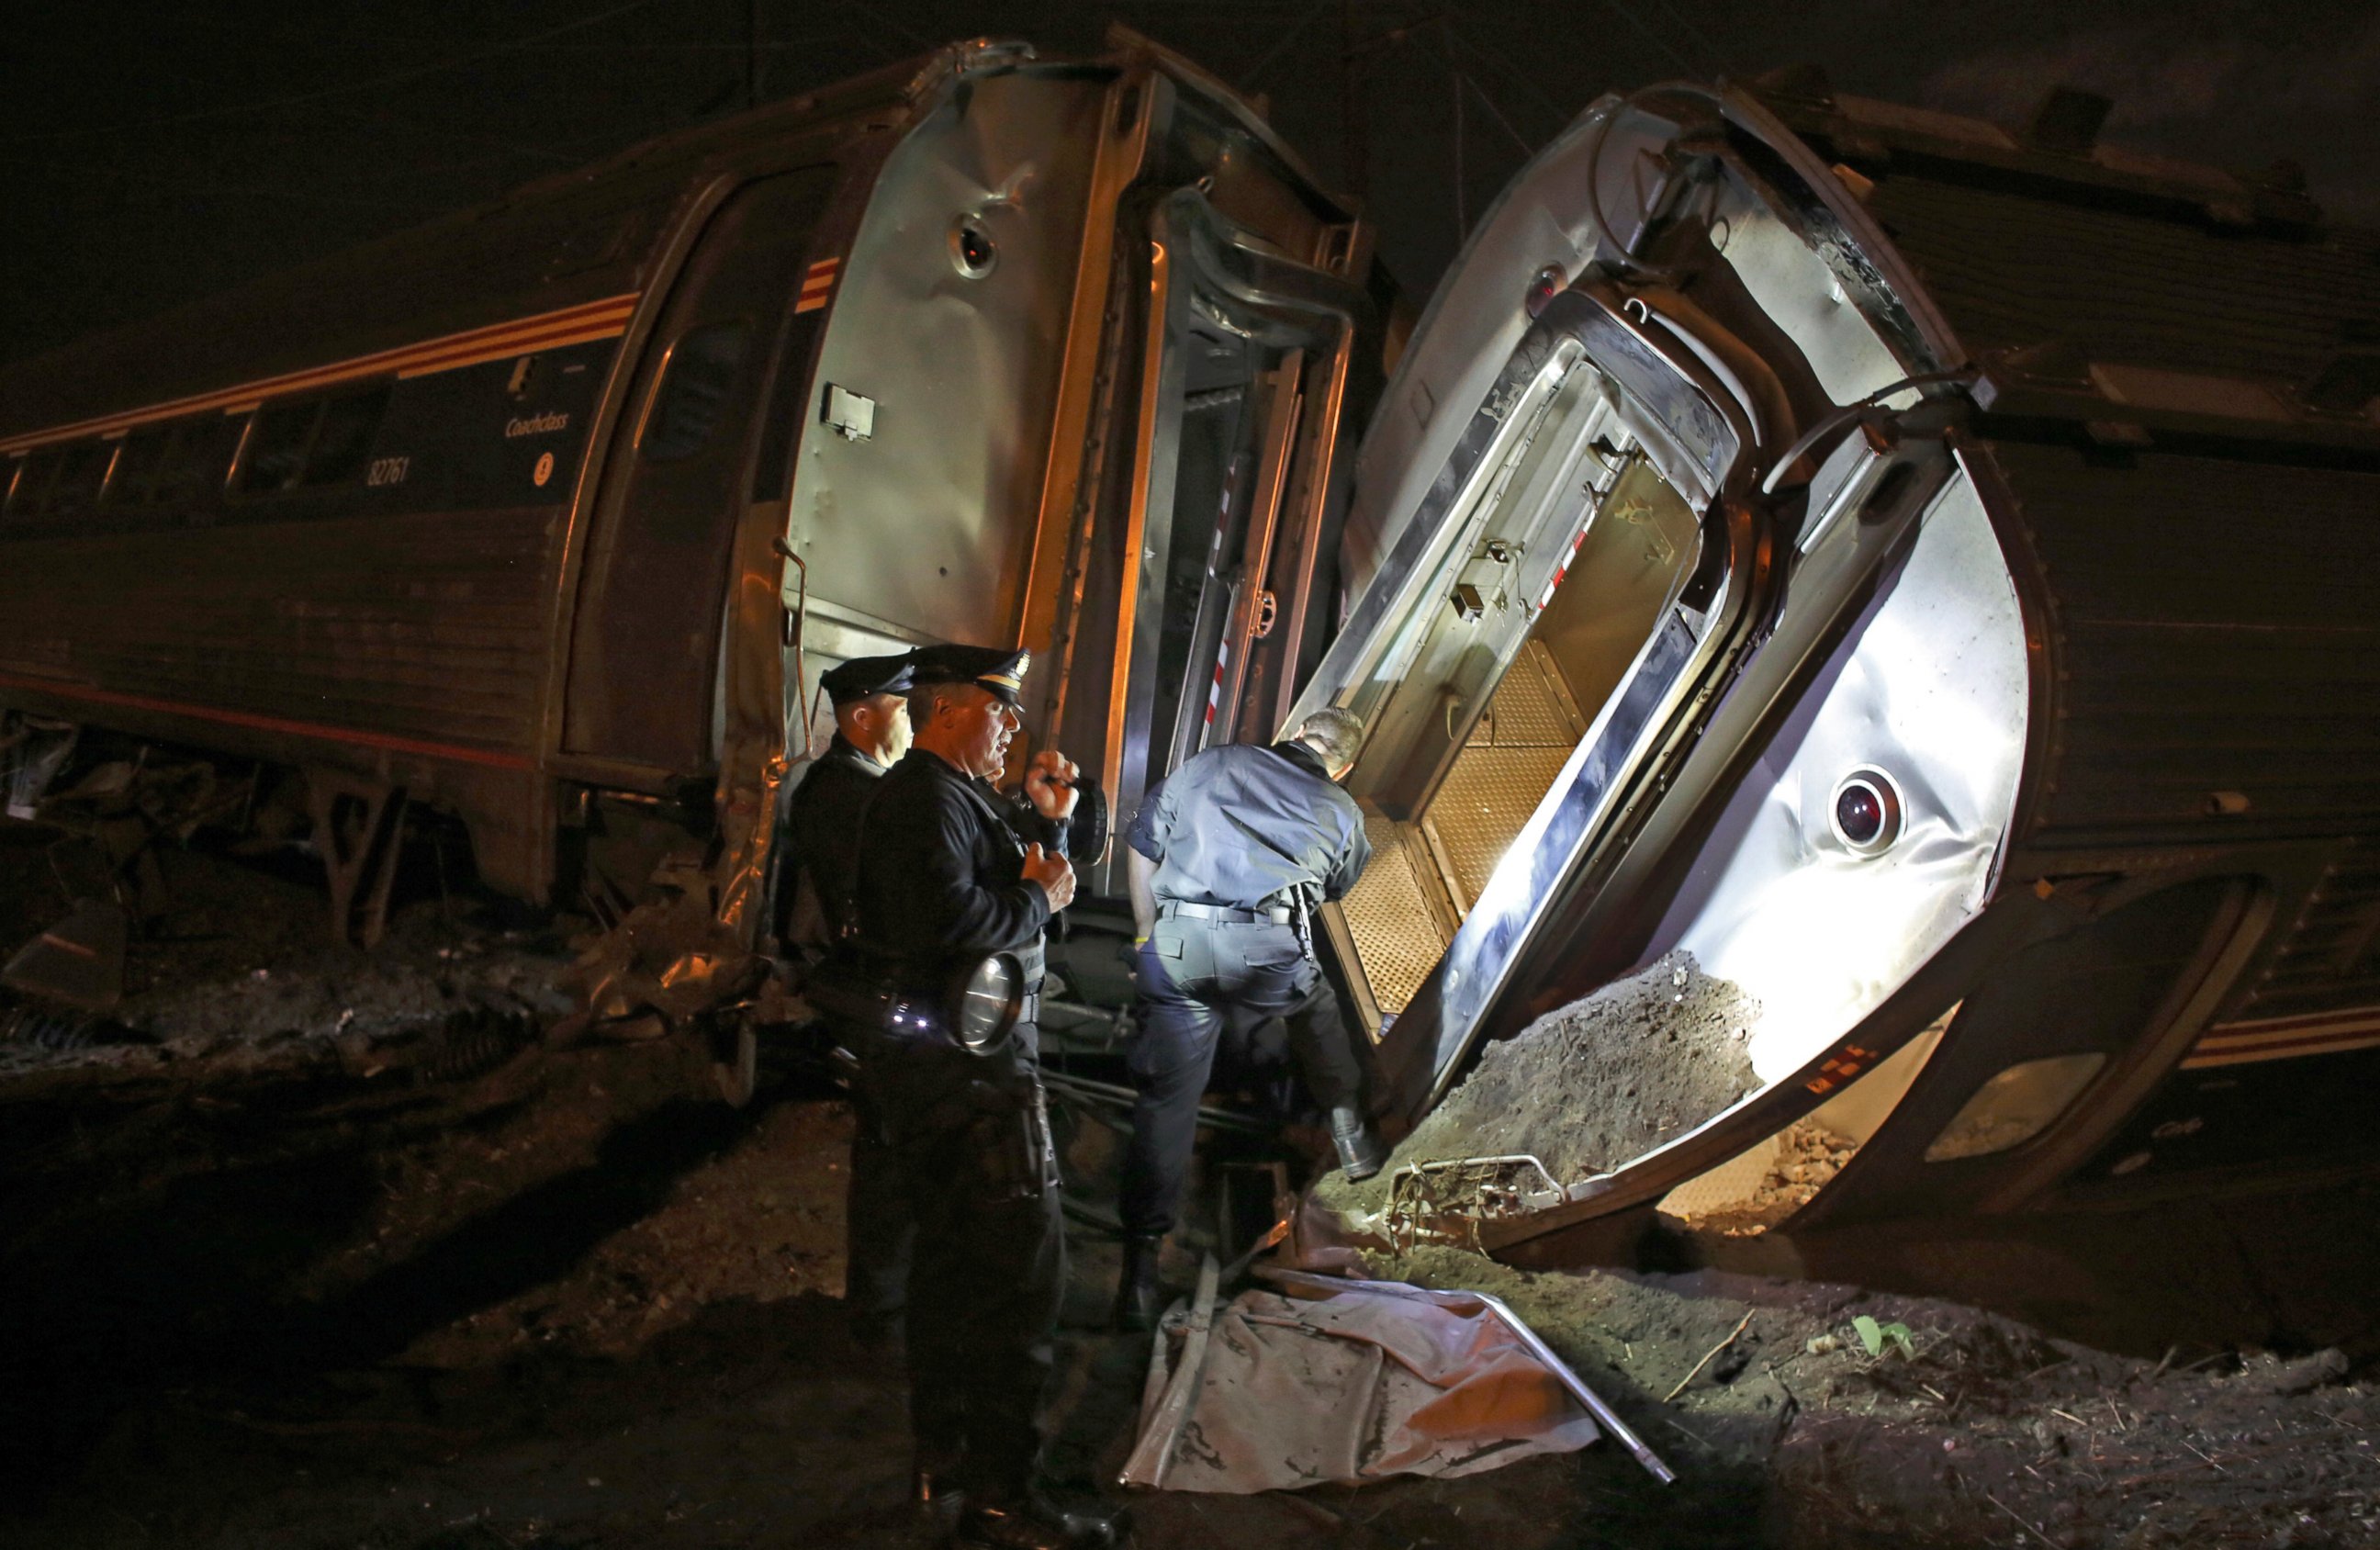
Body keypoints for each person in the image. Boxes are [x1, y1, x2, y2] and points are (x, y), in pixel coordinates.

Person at [848, 644, 1124, 1550]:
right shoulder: (922, 800)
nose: (1013, 726)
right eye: (1000, 708)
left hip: (962, 1074)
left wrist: (1055, 826)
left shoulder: (955, 797)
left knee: (954, 1274)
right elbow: (953, 924)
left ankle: (948, 1465)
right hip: (973, 1084)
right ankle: (1007, 1498)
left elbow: (1018, 868)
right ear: (951, 710)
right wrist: (1039, 901)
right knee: (1017, 1288)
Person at [1113, 706, 1382, 1332]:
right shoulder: (1343, 811)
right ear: (1344, 766)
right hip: (1268, 955)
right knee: (1317, 1014)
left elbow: (1142, 842)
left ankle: (1138, 1272)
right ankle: (1350, 1132)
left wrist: (1146, 933)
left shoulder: (1213, 763)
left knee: (1168, 1107)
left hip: (1180, 945)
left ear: (1292, 736)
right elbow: (1335, 888)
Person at [777, 650, 916, 1355]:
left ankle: (889, 1305)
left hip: (877, 993)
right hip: (869, 996)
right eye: (904, 709)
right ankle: (880, 1315)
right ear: (863, 717)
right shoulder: (842, 794)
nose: (914, 724)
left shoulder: (865, 787)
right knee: (889, 1152)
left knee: (899, 1147)